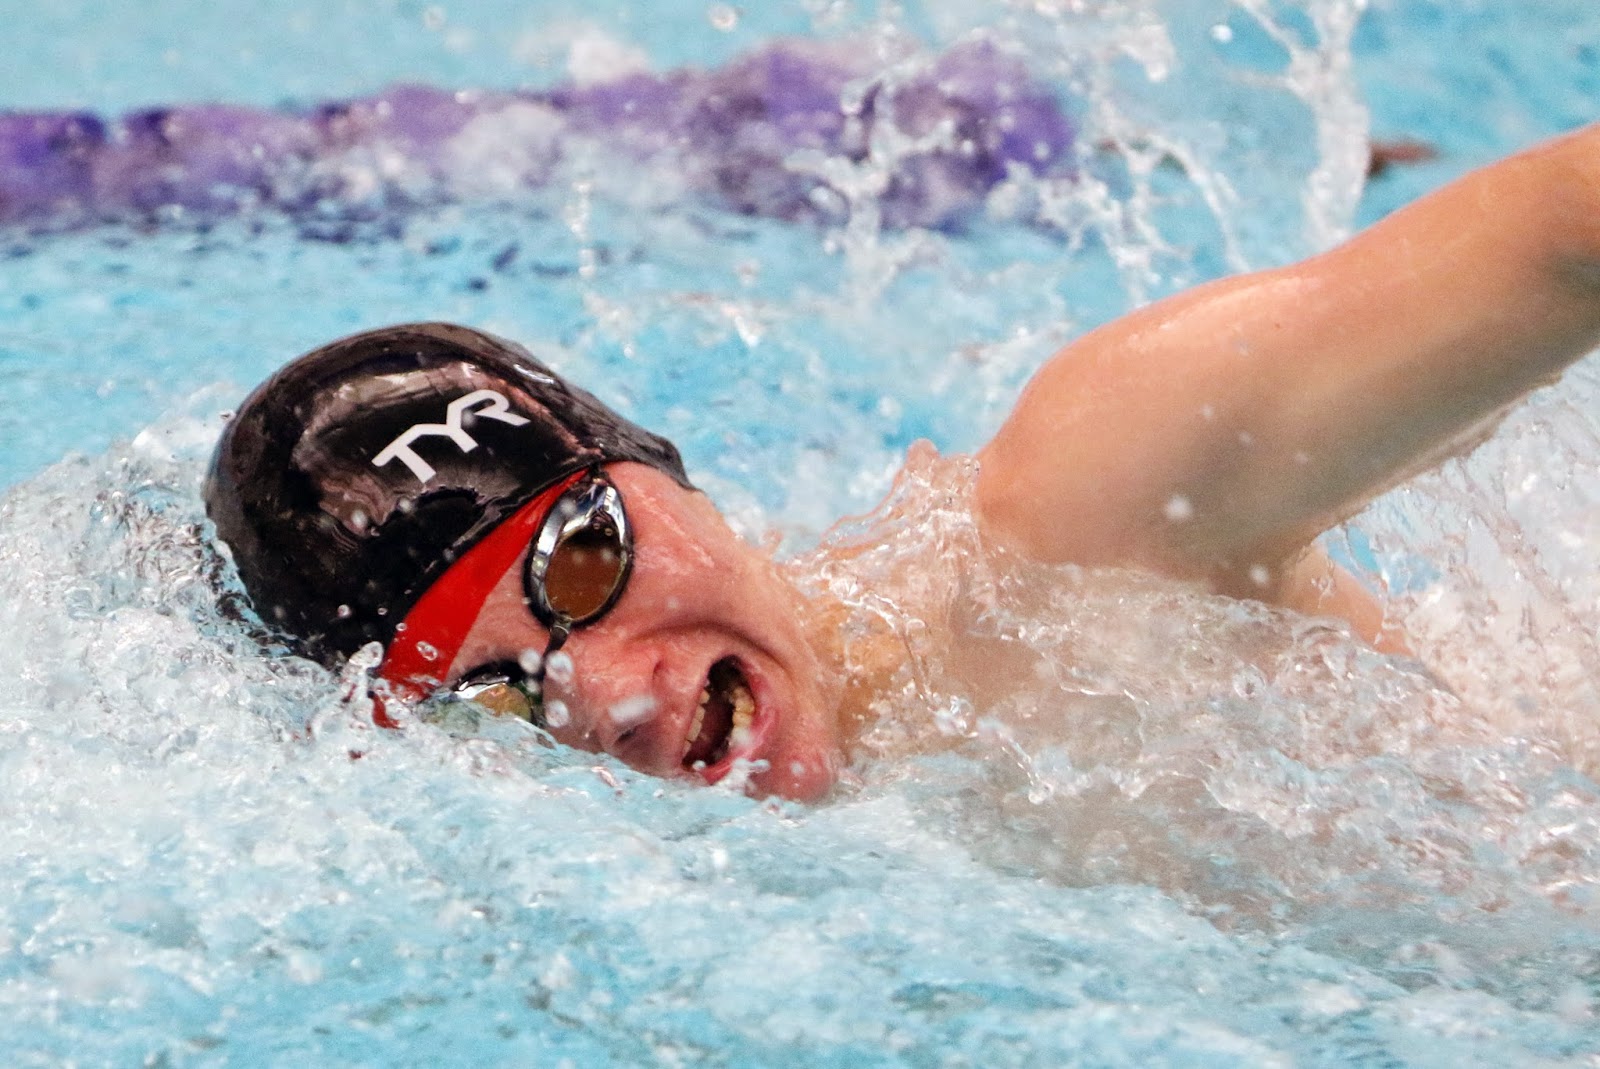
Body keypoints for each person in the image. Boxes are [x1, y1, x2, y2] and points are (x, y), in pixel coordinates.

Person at [206, 122, 1600, 802]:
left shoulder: (1078, 525)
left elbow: (1566, 232)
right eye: (506, 700)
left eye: (585, 561)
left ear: (660, 470)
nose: (613, 704)